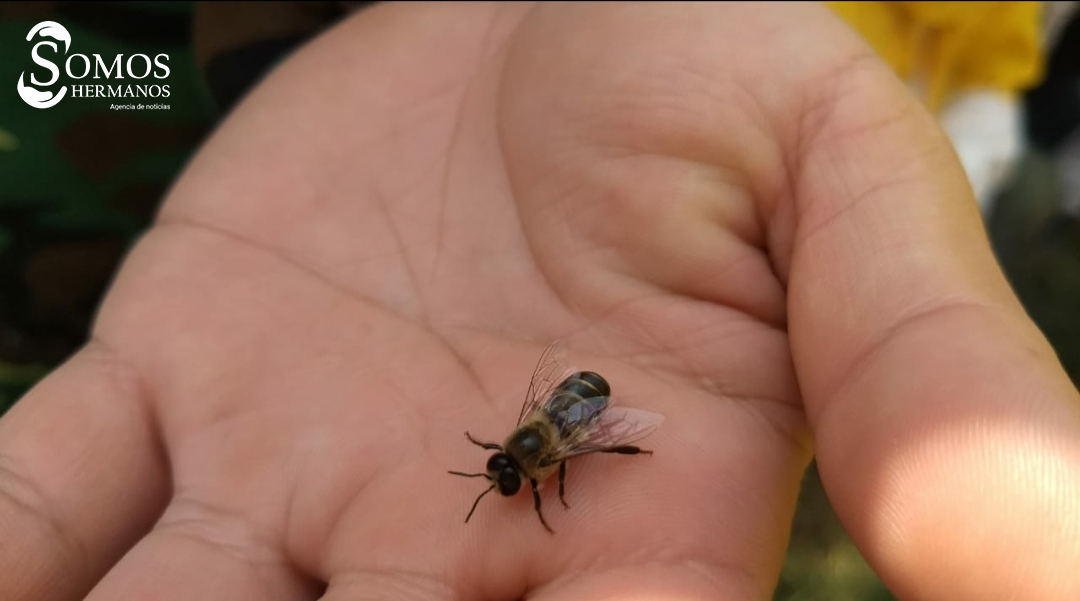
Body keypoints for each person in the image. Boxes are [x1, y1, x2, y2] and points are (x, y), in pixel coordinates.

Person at [1, 4, 1077, 600]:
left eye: (508, 470)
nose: (510, 475)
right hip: (123, 187)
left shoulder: (549, 447)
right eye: (510, 474)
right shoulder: (529, 446)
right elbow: (561, 413)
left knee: (607, 442)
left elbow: (580, 415)